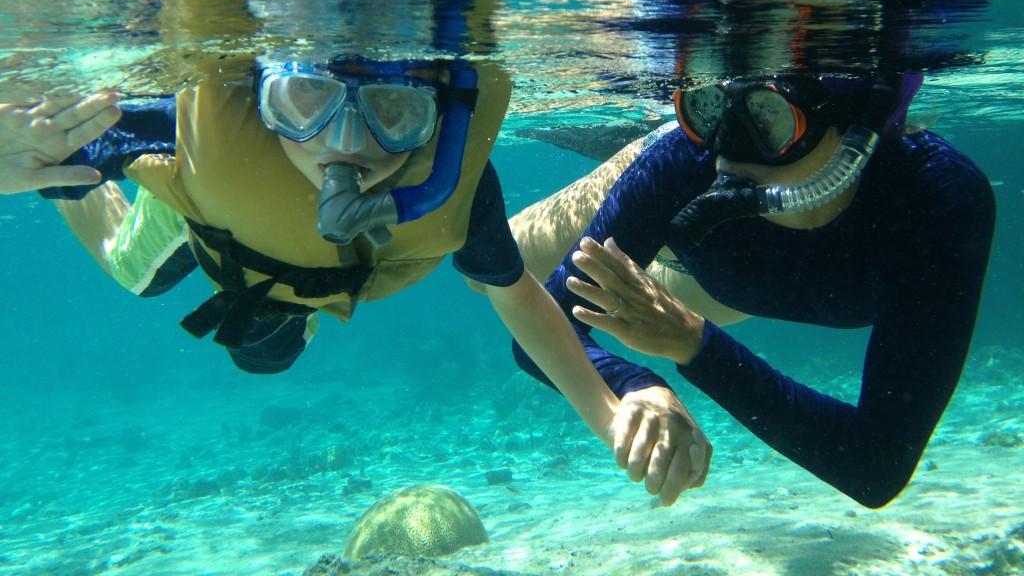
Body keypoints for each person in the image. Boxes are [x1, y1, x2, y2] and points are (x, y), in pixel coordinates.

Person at [0, 59, 712, 507]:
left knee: (203, 315)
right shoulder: (199, 129)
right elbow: (50, 133)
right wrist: (36, 163)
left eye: (395, 111)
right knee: (133, 269)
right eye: (307, 98)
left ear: (438, 116)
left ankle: (293, 306)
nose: (345, 144)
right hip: (206, 212)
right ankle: (69, 193)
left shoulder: (455, 187)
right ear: (262, 96)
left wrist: (606, 412)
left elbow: (516, 291)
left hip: (255, 245)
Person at [507, 69, 995, 508]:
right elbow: (534, 336)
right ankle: (644, 138)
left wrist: (694, 345)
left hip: (722, 291)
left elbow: (876, 467)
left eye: (769, 115)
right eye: (711, 108)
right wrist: (634, 385)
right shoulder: (684, 161)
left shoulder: (936, 199)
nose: (726, 151)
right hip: (697, 253)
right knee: (492, 271)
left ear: (857, 121)